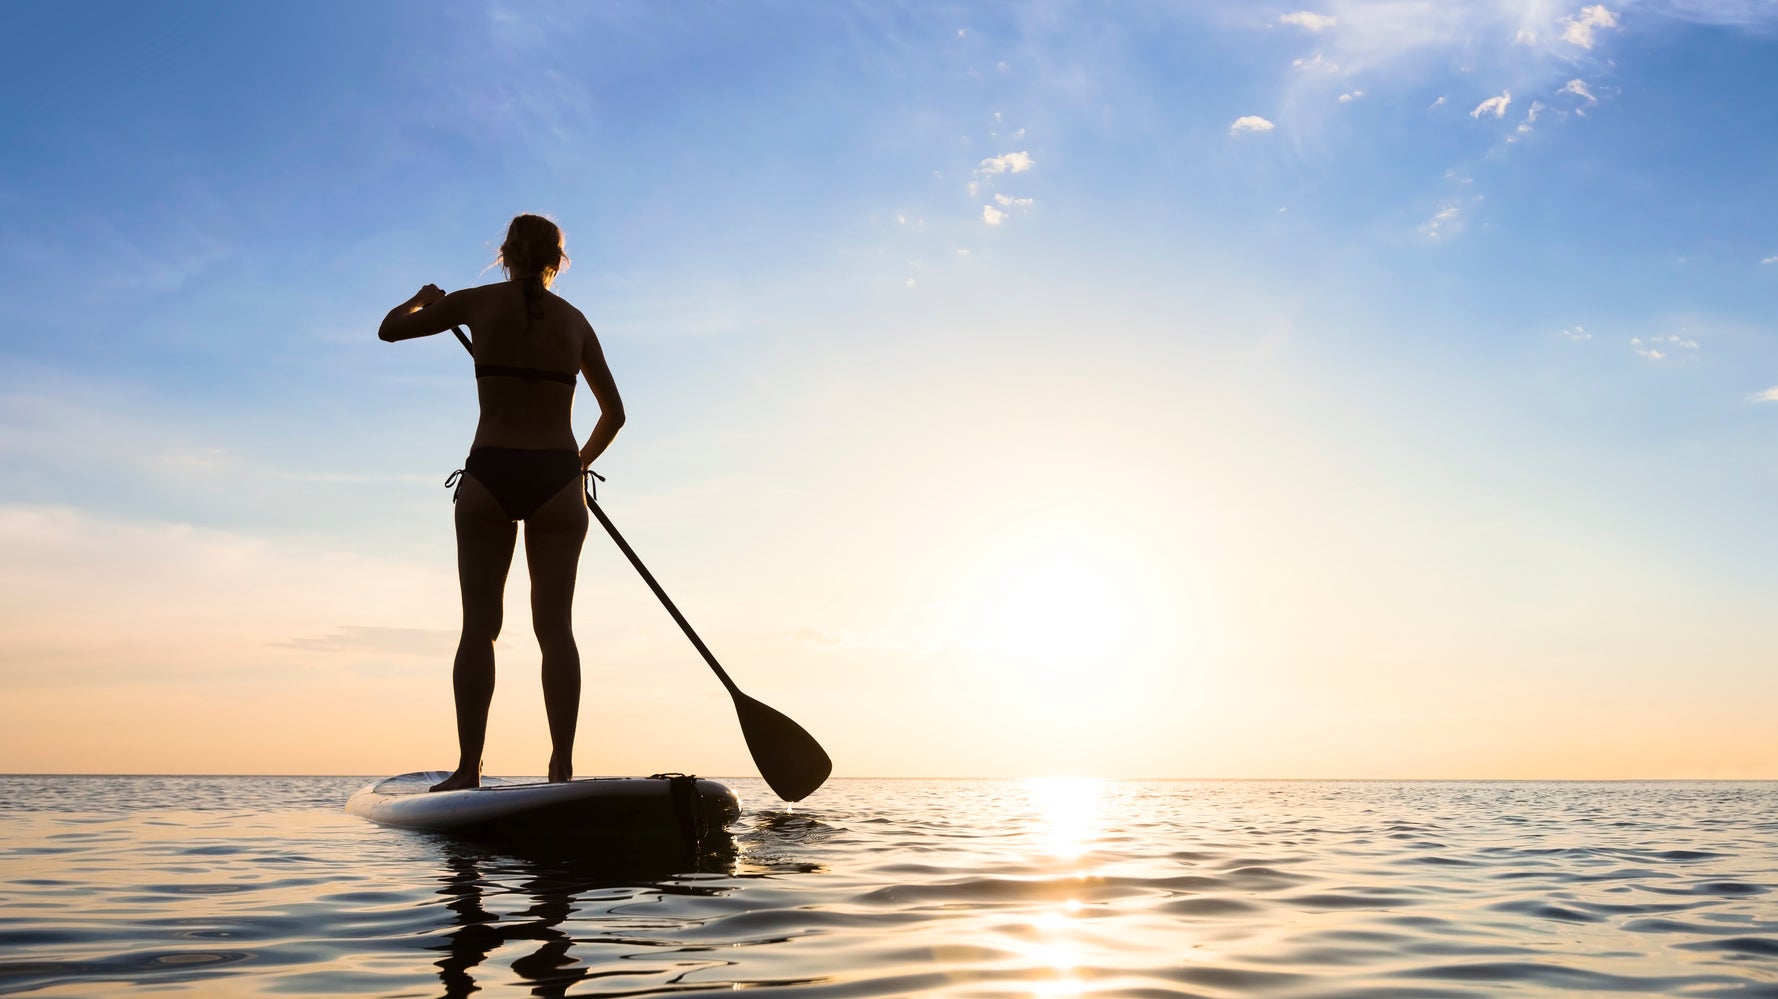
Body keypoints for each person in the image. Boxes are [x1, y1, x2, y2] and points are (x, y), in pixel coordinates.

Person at [378, 214, 624, 792]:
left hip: (491, 474)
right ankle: (561, 768)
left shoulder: (476, 302)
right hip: (558, 480)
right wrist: (576, 467)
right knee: (556, 631)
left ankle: (469, 770)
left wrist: (420, 300)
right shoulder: (576, 322)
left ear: (505, 254)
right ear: (556, 261)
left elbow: (390, 330)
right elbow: (614, 414)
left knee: (479, 630)